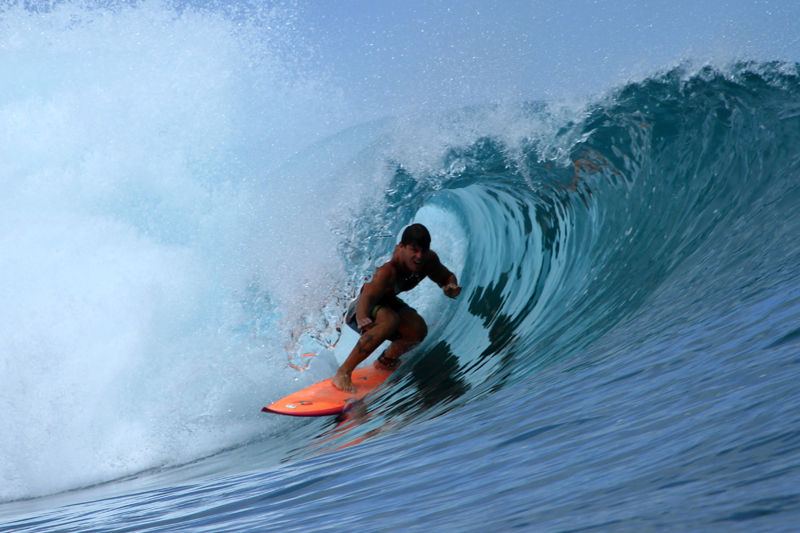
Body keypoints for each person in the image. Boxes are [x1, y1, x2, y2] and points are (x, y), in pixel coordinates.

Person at [332, 223, 462, 393]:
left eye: (423, 250)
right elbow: (366, 297)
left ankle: (386, 362)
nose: (419, 256)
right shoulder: (387, 269)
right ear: (401, 246)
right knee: (390, 319)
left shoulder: (428, 261)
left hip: (384, 302)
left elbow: (446, 276)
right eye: (413, 250)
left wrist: (450, 286)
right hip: (356, 306)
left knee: (418, 330)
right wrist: (362, 317)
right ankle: (343, 372)